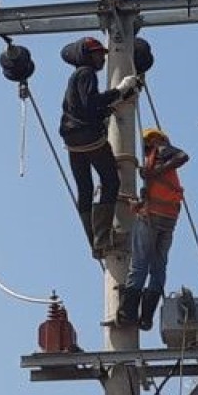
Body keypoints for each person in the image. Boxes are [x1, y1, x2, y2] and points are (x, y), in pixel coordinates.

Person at [59, 36, 140, 258]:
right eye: (97, 54)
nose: (102, 59)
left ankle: (95, 242)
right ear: (86, 56)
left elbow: (84, 109)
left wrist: (109, 108)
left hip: (73, 142)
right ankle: (103, 238)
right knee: (111, 181)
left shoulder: (74, 79)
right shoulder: (86, 73)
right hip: (90, 139)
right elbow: (92, 103)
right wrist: (120, 90)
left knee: (84, 190)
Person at [117, 127, 189, 330]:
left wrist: (154, 172)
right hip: (169, 218)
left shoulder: (159, 150)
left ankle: (128, 312)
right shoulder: (157, 162)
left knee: (139, 265)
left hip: (153, 217)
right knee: (158, 268)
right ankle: (146, 317)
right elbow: (156, 192)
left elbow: (183, 156)